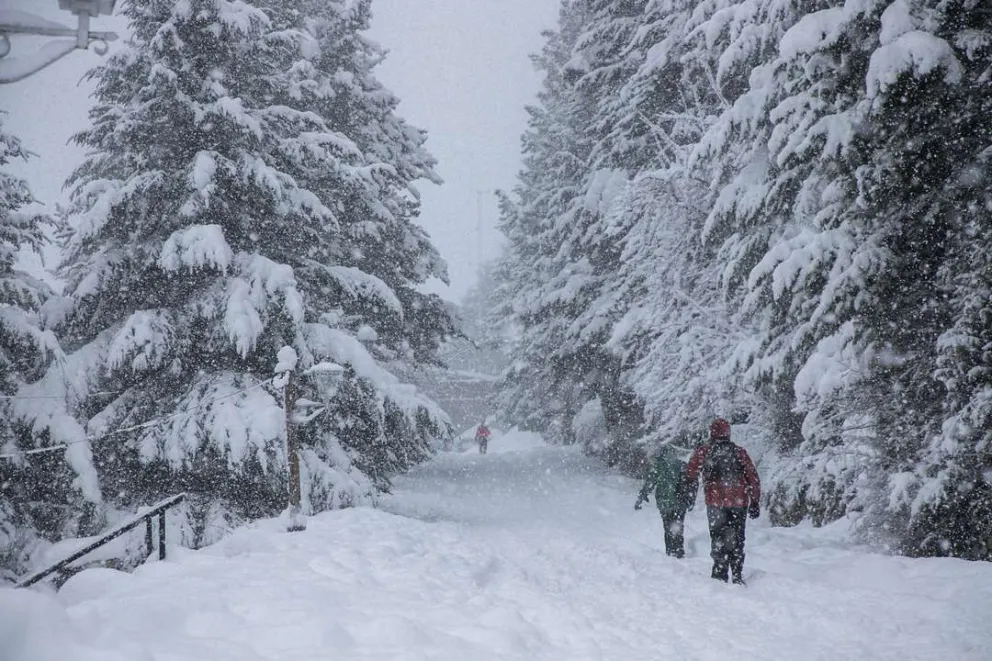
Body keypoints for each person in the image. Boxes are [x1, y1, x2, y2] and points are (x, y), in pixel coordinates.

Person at [683, 418, 761, 585]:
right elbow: (752, 477)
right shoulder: (739, 452)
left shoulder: (704, 451)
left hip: (715, 502)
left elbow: (690, 474)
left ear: (711, 433)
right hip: (739, 503)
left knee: (718, 538)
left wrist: (688, 491)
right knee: (738, 539)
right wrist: (754, 501)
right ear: (728, 433)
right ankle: (737, 574)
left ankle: (719, 574)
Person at [635, 444, 693, 558]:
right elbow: (691, 482)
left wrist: (642, 495)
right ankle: (679, 551)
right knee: (678, 525)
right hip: (680, 502)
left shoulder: (658, 466)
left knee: (667, 527)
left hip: (664, 502)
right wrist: (690, 499)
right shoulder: (681, 465)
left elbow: (650, 482)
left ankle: (670, 551)